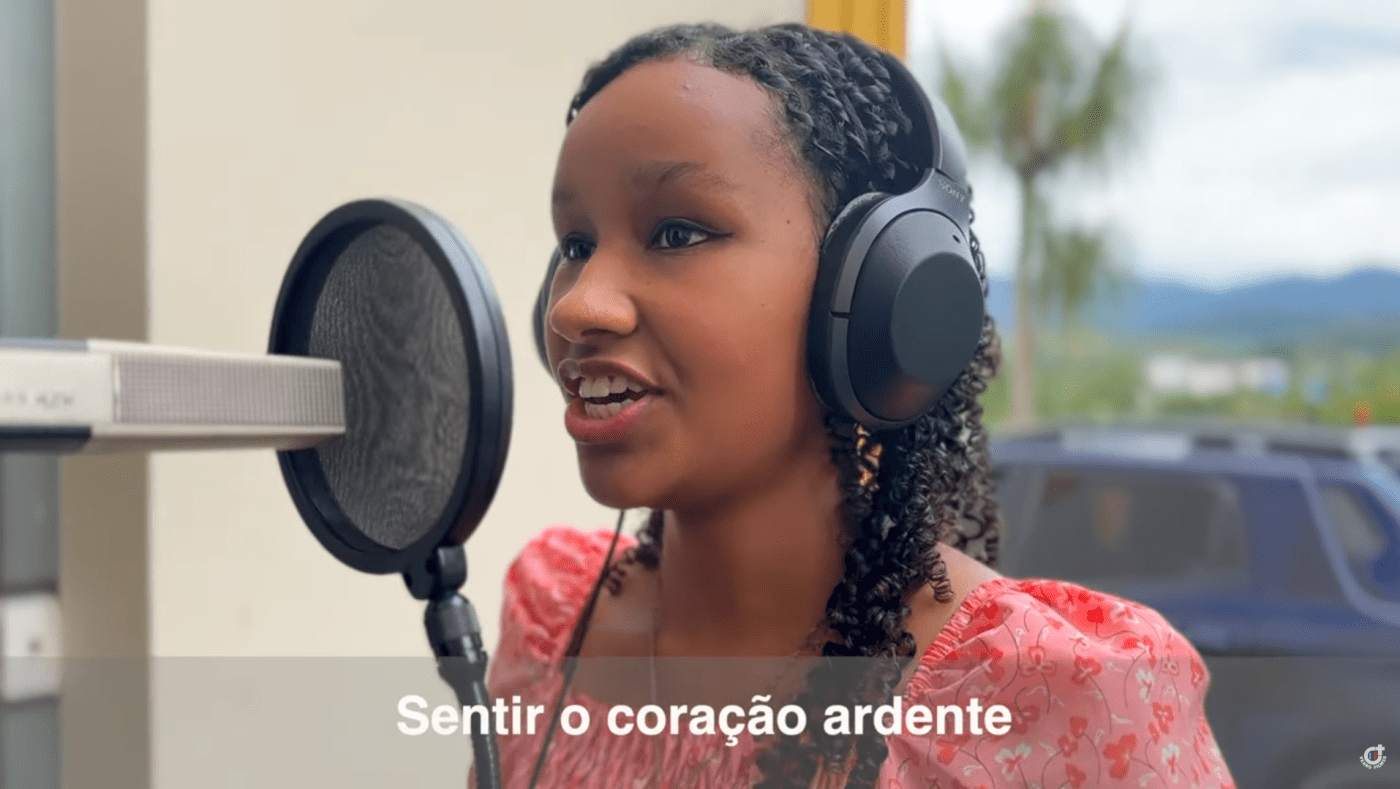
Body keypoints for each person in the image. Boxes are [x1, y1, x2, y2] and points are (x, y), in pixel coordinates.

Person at [488, 22, 1236, 789]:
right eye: (575, 245)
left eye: (676, 233)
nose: (577, 306)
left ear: (879, 294)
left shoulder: (1055, 705)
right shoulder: (550, 620)